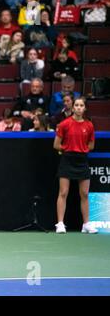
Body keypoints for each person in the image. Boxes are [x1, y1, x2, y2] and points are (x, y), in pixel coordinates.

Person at [53, 97, 98, 234]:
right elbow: (56, 145)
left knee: (84, 193)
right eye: (76, 105)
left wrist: (80, 149)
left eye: (81, 105)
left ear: (84, 108)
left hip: (82, 160)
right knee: (63, 192)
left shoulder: (89, 125)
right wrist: (67, 149)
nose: (79, 107)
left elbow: (91, 145)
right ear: (73, 108)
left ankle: (86, 224)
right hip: (67, 159)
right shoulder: (64, 124)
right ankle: (60, 224)